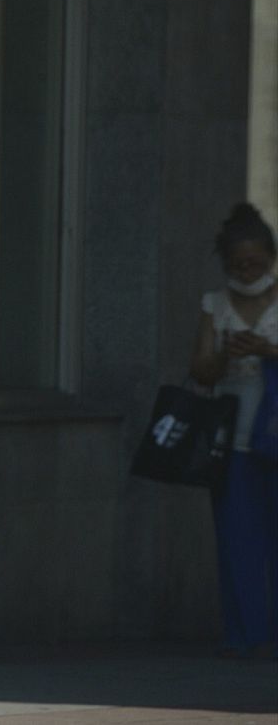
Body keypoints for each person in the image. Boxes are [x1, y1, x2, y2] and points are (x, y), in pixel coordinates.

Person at [189, 202, 278, 658]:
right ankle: (247, 633)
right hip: (234, 442)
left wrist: (268, 349)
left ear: (271, 259)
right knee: (239, 541)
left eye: (256, 263)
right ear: (226, 264)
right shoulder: (215, 305)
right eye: (239, 265)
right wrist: (226, 355)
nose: (247, 271)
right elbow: (200, 372)